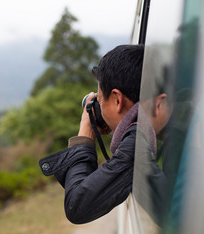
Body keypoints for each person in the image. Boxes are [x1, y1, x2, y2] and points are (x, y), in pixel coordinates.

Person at [39, 44, 144, 224]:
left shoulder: (139, 140)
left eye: (101, 101)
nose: (99, 109)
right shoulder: (152, 126)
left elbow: (76, 206)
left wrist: (86, 129)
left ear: (118, 100)